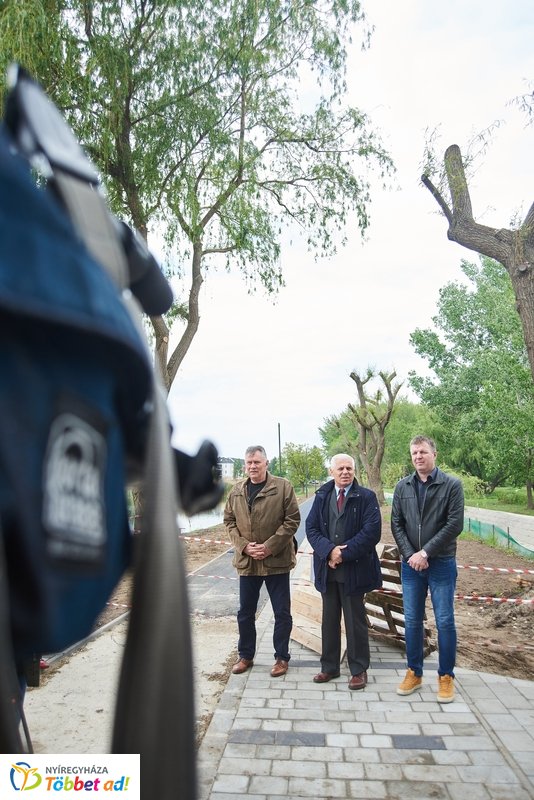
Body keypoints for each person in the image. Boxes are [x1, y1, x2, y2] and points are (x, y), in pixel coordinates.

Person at [391, 435, 465, 703]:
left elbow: (454, 524)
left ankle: (446, 676)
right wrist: (412, 555)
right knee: (412, 621)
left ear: (434, 454)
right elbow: (396, 524)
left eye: (423, 452)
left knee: (444, 620)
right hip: (412, 566)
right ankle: (414, 672)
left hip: (441, 562)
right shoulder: (403, 487)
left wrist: (426, 552)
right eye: (414, 453)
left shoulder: (452, 486)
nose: (418, 457)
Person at [305, 454, 382, 690]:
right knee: (329, 620)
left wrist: (342, 554)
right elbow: (311, 528)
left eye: (349, 468)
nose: (345, 472)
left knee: (354, 621)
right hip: (328, 570)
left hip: (354, 570)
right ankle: (329, 667)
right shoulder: (321, 496)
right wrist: (329, 551)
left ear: (354, 471)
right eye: (341, 468)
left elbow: (372, 532)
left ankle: (358, 670)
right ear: (332, 472)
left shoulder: (367, 497)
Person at [224, 446, 300, 677]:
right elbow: (228, 521)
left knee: (281, 613)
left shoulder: (282, 487)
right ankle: (246, 655)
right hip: (248, 562)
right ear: (244, 465)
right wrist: (244, 546)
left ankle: (281, 658)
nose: (252, 466)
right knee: (245, 613)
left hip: (276, 561)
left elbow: (292, 520)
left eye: (257, 462)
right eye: (249, 462)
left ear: (267, 463)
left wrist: (269, 547)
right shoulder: (236, 491)